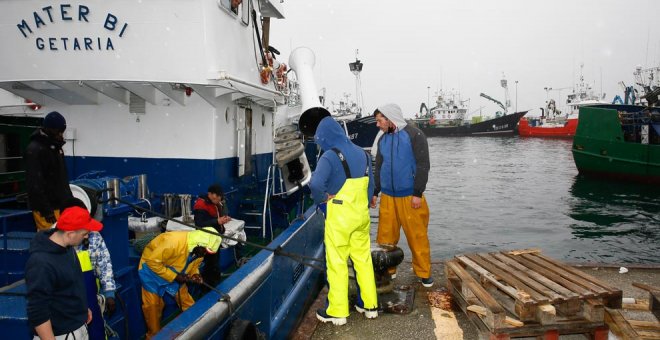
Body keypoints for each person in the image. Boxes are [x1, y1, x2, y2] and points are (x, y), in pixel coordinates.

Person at [308, 115, 379, 326]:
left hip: (340, 218)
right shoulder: (363, 154)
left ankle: (338, 311)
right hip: (361, 217)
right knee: (363, 261)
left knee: (337, 263)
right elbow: (371, 186)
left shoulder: (330, 156)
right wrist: (362, 203)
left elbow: (315, 185)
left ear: (325, 137)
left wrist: (322, 203)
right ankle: (370, 306)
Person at [370, 104, 433, 287]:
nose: (378, 125)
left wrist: (417, 193)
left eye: (380, 121)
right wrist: (375, 192)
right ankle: (388, 270)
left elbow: (423, 165)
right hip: (388, 197)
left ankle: (424, 272)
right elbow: (379, 168)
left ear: (390, 119)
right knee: (385, 238)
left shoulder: (415, 135)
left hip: (410, 196)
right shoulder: (382, 140)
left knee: (417, 236)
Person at [25, 205, 103, 339]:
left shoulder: (67, 247)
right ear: (70, 233)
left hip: (78, 325)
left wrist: (81, 309)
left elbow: (70, 284)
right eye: (84, 234)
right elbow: (37, 311)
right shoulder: (41, 263)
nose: (86, 238)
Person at [138, 227, 222, 338]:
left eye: (208, 252)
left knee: (187, 302)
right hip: (151, 273)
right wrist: (175, 276)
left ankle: (198, 326)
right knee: (153, 307)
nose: (204, 255)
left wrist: (195, 274)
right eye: (205, 251)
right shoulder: (173, 242)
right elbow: (152, 262)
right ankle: (153, 336)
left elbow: (193, 266)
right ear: (198, 243)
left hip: (176, 272)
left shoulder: (200, 251)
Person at [63, 197, 117, 340]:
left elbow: (104, 264)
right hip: (65, 304)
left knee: (96, 333)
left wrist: (110, 293)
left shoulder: (94, 237)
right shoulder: (54, 242)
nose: (87, 234)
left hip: (90, 298)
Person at [24, 111, 73, 231]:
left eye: (62, 131)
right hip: (47, 209)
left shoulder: (55, 148)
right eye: (58, 131)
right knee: (50, 241)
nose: (61, 134)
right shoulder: (35, 150)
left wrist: (70, 202)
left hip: (61, 205)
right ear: (48, 129)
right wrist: (46, 210)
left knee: (64, 240)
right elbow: (34, 183)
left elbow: (61, 180)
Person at [193, 184, 230, 287]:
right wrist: (217, 221)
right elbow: (199, 224)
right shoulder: (201, 205)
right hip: (206, 240)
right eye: (216, 195)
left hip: (215, 238)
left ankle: (215, 282)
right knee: (210, 264)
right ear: (209, 194)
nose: (218, 198)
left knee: (214, 263)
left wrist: (222, 220)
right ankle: (208, 287)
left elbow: (219, 216)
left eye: (220, 196)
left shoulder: (216, 203)